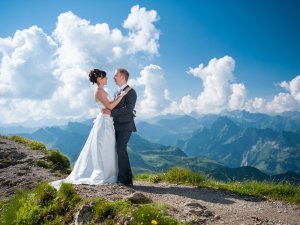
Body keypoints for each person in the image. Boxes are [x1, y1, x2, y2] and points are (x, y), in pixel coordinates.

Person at [50, 69, 130, 190]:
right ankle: (104, 174)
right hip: (104, 121)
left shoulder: (103, 91)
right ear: (99, 79)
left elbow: (109, 106)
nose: (107, 79)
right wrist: (122, 95)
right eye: (105, 77)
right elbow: (110, 106)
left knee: (108, 147)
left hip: (108, 121)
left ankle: (110, 173)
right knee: (104, 147)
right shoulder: (99, 92)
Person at [102, 68, 137, 186]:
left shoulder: (131, 92)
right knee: (118, 150)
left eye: (115, 75)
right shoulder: (116, 92)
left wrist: (110, 112)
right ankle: (124, 178)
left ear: (123, 76)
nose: (113, 77)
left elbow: (128, 109)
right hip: (116, 126)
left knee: (120, 148)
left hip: (127, 125)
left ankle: (125, 179)